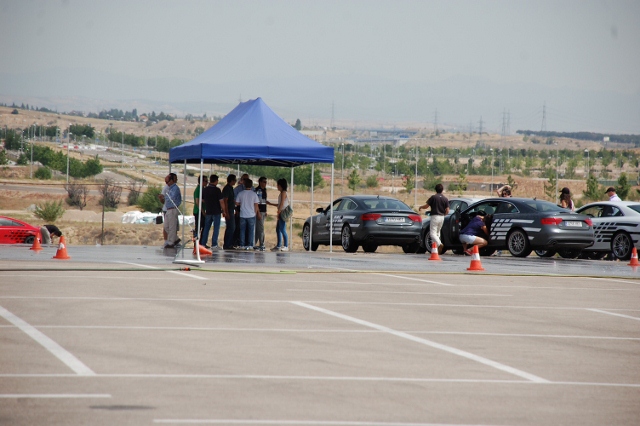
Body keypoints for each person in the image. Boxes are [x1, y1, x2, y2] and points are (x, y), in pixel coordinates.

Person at [418, 183, 449, 254]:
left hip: (435, 216)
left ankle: (439, 244)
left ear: (435, 190)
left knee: (432, 233)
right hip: (442, 217)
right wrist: (444, 215)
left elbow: (426, 206)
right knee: (438, 233)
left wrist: (421, 207)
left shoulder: (433, 197)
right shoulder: (445, 199)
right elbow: (447, 210)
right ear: (442, 190)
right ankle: (436, 249)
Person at [200, 174, 224, 250]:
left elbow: (202, 200)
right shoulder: (217, 190)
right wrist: (223, 210)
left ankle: (203, 243)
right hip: (216, 211)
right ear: (216, 181)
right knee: (216, 228)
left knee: (206, 228)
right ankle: (214, 244)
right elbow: (221, 202)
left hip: (208, 211)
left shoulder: (205, 190)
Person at [236, 178, 260, 250]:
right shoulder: (254, 194)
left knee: (242, 230)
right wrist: (255, 213)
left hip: (243, 214)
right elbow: (256, 205)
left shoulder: (240, 193)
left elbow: (237, 203)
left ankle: (242, 244)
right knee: (250, 230)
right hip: (251, 214)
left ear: (244, 185)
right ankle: (250, 244)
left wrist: (241, 203)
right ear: (251, 185)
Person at [160, 173, 182, 248]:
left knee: (172, 227)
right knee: (166, 227)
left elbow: (171, 199)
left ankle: (171, 242)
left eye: (168, 182)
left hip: (173, 209)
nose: (167, 184)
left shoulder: (175, 188)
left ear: (172, 181)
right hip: (168, 209)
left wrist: (164, 197)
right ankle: (175, 239)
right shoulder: (169, 188)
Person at [254, 176, 274, 251]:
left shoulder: (264, 190)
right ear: (260, 182)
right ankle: (261, 244)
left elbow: (264, 201)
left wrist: (265, 211)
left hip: (263, 211)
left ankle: (255, 243)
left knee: (258, 228)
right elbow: (257, 203)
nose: (265, 183)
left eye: (266, 182)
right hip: (259, 212)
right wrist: (258, 212)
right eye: (264, 182)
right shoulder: (257, 190)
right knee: (260, 228)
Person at [272, 178, 290, 252]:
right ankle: (279, 245)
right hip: (281, 211)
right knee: (278, 229)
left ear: (280, 185)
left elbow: (282, 203)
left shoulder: (283, 193)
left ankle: (286, 245)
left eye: (278, 185)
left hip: (282, 212)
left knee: (282, 229)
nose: (277, 186)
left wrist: (278, 212)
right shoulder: (282, 193)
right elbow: (279, 204)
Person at [221, 174, 237, 250]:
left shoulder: (231, 188)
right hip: (229, 210)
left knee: (231, 227)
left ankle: (229, 243)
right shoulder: (227, 189)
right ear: (232, 180)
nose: (235, 182)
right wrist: (226, 212)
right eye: (235, 180)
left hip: (231, 209)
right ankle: (227, 244)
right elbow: (225, 201)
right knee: (231, 227)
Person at [233, 173, 249, 247]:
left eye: (247, 179)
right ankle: (238, 243)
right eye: (244, 179)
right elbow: (234, 201)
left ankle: (247, 243)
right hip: (239, 211)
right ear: (241, 180)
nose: (245, 181)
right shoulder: (237, 189)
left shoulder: (252, 189)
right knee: (239, 228)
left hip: (249, 212)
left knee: (248, 229)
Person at [193, 175, 208, 241]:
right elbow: (197, 202)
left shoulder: (203, 189)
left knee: (204, 227)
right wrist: (203, 212)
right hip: (198, 211)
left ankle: (202, 242)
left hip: (201, 211)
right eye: (205, 181)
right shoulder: (198, 189)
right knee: (198, 228)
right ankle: (197, 242)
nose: (207, 182)